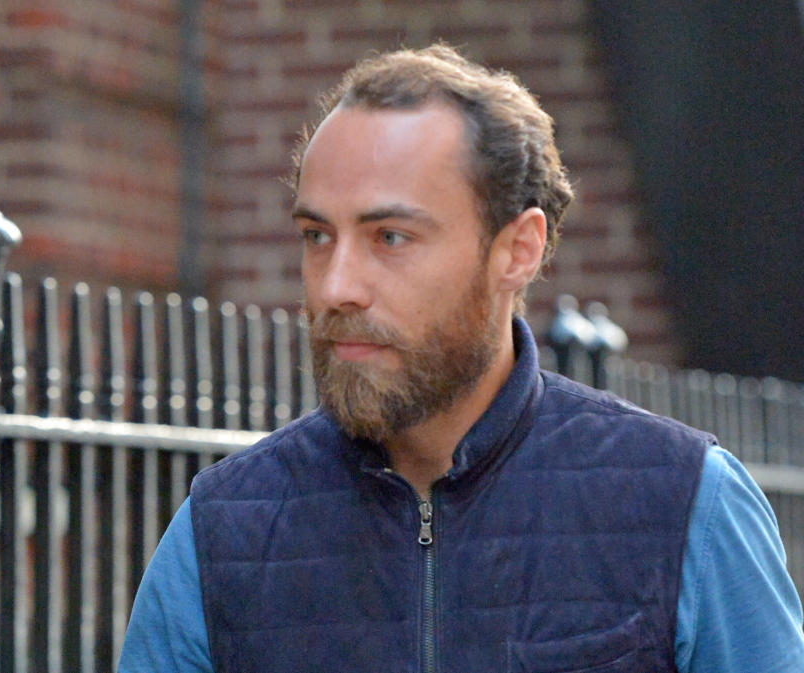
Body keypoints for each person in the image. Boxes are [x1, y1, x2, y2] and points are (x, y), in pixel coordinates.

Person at [119, 44, 804, 672]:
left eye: (390, 236)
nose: (335, 287)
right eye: (316, 235)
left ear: (518, 250)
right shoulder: (222, 530)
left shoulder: (685, 502)